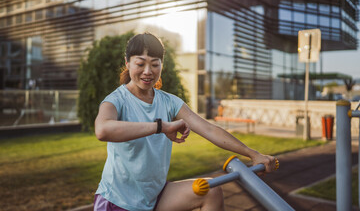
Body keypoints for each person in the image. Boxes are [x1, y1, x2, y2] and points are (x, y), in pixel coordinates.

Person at [94, 32, 277, 211]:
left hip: (155, 196)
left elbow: (209, 129)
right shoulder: (116, 100)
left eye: (155, 65)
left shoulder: (169, 101)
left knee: (211, 192)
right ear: (127, 63)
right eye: (140, 64)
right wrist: (161, 126)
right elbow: (102, 130)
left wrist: (253, 154)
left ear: (162, 65)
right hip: (117, 202)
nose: (148, 72)